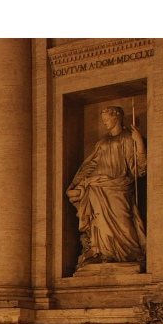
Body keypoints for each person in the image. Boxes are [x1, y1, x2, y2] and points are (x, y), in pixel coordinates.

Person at [67, 105, 147, 268]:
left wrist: (138, 141)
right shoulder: (102, 141)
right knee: (99, 222)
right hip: (97, 186)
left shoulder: (127, 138)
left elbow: (138, 168)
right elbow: (90, 165)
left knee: (124, 221)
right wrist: (75, 183)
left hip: (119, 186)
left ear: (116, 118)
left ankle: (129, 254)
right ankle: (103, 253)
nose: (104, 122)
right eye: (103, 120)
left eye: (107, 119)